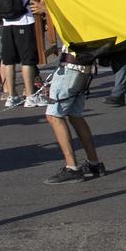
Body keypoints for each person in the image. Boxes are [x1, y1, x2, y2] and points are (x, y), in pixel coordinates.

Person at [39, 45, 108, 183]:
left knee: (54, 115)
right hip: (84, 64)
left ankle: (72, 168)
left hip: (71, 65)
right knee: (75, 114)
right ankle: (93, 163)